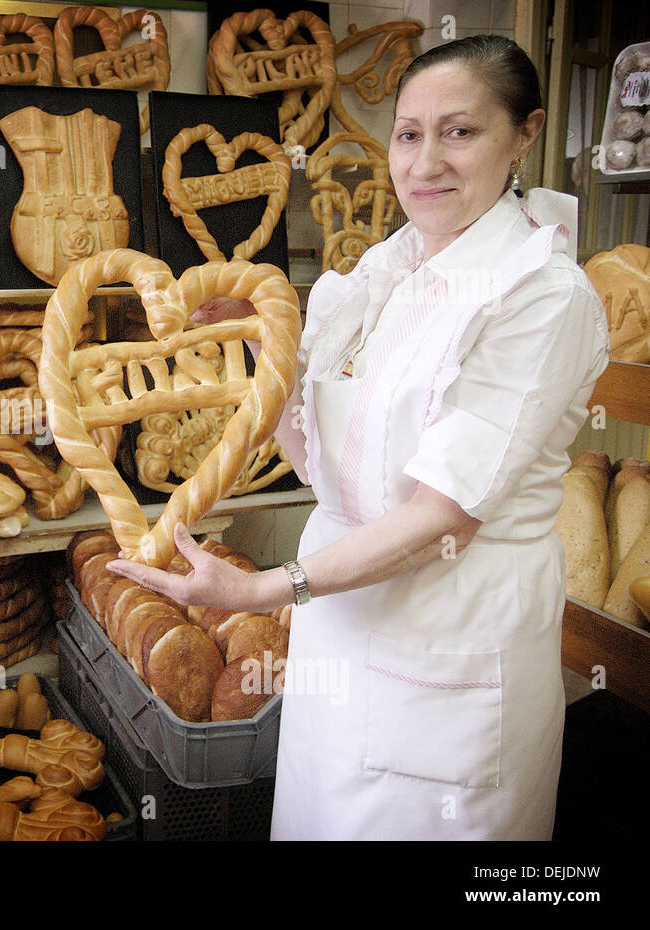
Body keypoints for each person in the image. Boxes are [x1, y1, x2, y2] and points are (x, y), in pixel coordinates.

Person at [107, 35, 610, 840]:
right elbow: (330, 471)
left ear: (525, 134)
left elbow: (444, 515)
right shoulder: (386, 269)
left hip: (451, 641)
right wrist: (263, 355)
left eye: (460, 132)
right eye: (409, 134)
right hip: (341, 631)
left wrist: (266, 589)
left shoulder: (543, 295)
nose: (424, 162)